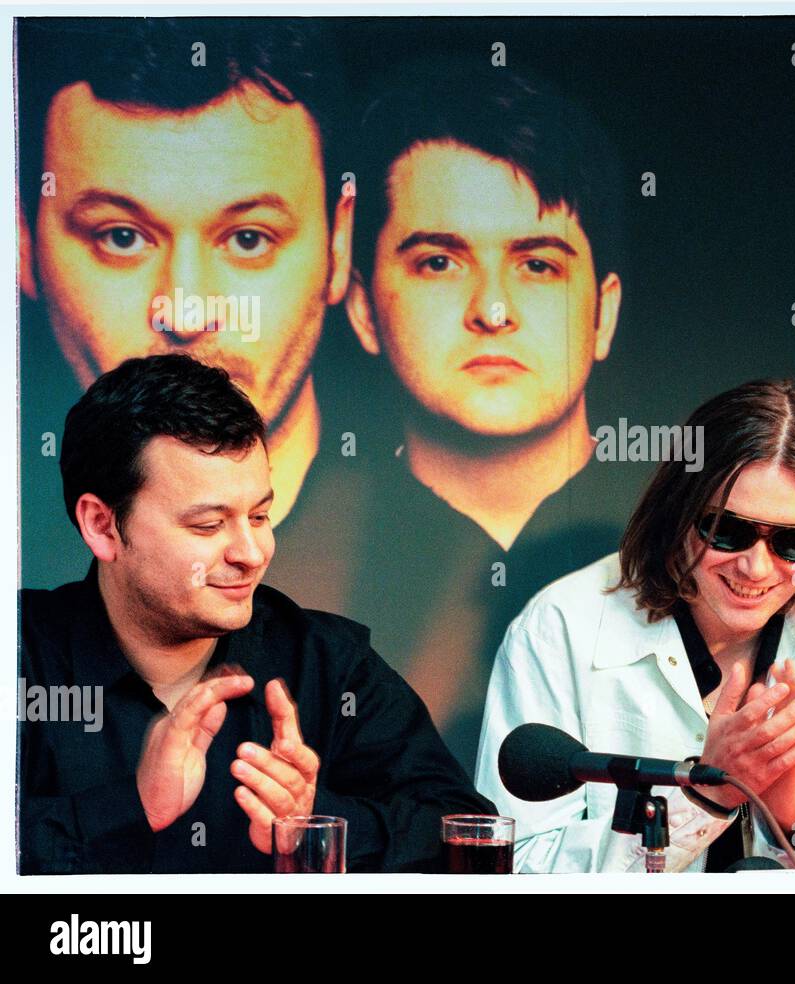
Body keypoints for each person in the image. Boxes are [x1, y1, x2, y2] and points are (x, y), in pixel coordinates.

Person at [269, 60, 631, 767]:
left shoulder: (699, 553)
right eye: (439, 262)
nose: (492, 311)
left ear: (604, 313)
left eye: (538, 265)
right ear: (365, 308)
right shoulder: (278, 575)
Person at [19, 354, 494, 874]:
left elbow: (468, 839)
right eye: (207, 525)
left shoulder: (328, 665)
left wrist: (314, 822)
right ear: (103, 526)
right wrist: (131, 809)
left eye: (260, 516)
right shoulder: (21, 658)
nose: (251, 552)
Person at [475, 380, 795, 872]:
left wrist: (793, 822)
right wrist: (704, 798)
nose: (756, 569)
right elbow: (514, 864)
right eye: (728, 530)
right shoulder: (560, 626)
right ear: (679, 513)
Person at [17, 18, 354, 591]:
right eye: (120, 237)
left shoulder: (441, 568)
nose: (186, 314)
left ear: (339, 246)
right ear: (23, 244)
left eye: (249, 238)